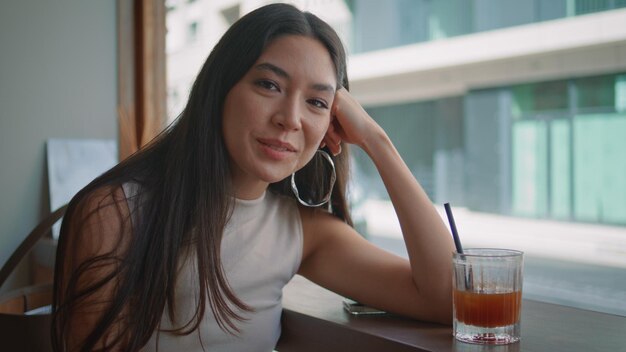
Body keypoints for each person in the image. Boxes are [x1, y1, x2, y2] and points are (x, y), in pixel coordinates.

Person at [51, 3, 454, 352]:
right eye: (268, 84)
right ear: (220, 89)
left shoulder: (301, 232)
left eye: (317, 102)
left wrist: (375, 139)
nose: (290, 118)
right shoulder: (116, 212)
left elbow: (447, 298)